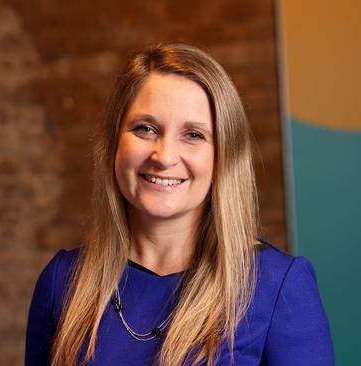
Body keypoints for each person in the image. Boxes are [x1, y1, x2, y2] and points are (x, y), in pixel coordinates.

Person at [25, 43, 334, 366]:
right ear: (114, 143)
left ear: (223, 157)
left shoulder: (277, 285)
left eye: (194, 135)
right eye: (145, 128)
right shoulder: (62, 281)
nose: (164, 156)